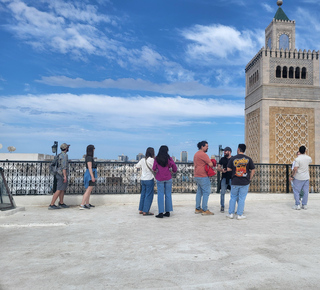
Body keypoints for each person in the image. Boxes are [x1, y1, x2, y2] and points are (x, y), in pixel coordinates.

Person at [226, 143, 255, 220]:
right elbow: (253, 170)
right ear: (244, 150)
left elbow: (228, 169)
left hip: (235, 181)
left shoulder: (233, 158)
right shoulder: (248, 159)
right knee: (242, 198)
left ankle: (231, 214)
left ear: (238, 149)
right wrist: (250, 178)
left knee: (233, 198)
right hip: (245, 181)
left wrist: (234, 170)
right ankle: (239, 214)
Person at [152, 145, 177, 218]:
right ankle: (168, 212)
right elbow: (174, 167)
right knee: (168, 194)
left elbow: (154, 168)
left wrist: (157, 170)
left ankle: (160, 213)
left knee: (160, 195)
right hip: (168, 177)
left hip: (160, 178)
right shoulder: (169, 158)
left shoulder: (157, 158)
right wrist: (172, 171)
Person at [193, 141, 215, 215]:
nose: (207, 147)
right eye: (206, 146)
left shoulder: (196, 154)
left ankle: (197, 208)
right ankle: (205, 209)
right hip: (203, 175)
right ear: (202, 146)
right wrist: (213, 160)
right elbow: (211, 164)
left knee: (199, 192)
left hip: (197, 175)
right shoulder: (203, 154)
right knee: (206, 192)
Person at [48, 143, 70, 210]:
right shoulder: (64, 156)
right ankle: (52, 204)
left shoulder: (59, 155)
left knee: (62, 189)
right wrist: (65, 176)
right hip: (61, 174)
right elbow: (64, 166)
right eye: (68, 147)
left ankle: (61, 202)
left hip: (58, 173)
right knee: (59, 189)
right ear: (66, 148)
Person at [289, 146, 312, 210]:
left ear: (299, 151)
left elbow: (295, 168)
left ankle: (297, 204)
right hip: (306, 177)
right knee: (305, 191)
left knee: (296, 191)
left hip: (298, 177)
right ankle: (304, 205)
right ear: (305, 151)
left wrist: (292, 176)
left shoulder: (297, 159)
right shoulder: (308, 158)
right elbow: (309, 161)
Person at [135, 147, 155, 216]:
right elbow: (155, 168)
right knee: (148, 195)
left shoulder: (142, 159)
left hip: (142, 179)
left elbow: (137, 166)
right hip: (149, 179)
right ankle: (145, 211)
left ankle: (141, 209)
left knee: (143, 194)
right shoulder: (152, 160)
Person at [80, 145, 97, 210]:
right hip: (90, 174)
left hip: (90, 173)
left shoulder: (88, 157)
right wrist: (92, 176)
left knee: (89, 190)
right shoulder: (89, 158)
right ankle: (82, 204)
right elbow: (89, 167)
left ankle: (87, 203)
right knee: (88, 190)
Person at [217, 147, 232, 213]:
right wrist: (221, 170)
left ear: (229, 152)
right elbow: (218, 167)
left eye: (226, 151)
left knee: (234, 193)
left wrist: (230, 170)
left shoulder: (233, 159)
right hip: (224, 178)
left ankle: (233, 206)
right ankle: (222, 206)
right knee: (222, 192)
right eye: (224, 151)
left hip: (232, 178)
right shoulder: (222, 159)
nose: (224, 152)